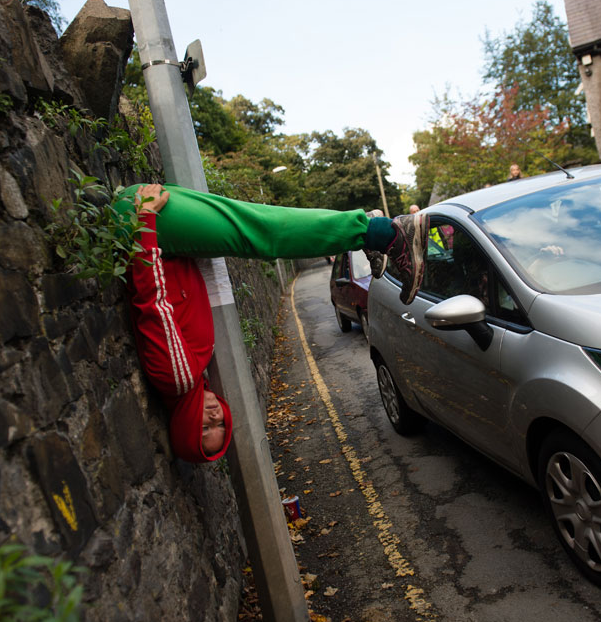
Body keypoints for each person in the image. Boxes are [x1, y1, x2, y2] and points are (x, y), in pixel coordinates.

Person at [122, 183, 428, 462]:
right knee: (256, 228)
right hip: (156, 233)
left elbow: (154, 302)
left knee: (261, 233)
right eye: (220, 423)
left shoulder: (180, 379)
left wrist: (145, 220)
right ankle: (379, 235)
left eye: (204, 426)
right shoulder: (192, 376)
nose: (215, 414)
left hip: (146, 224)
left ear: (185, 425)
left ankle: (384, 235)